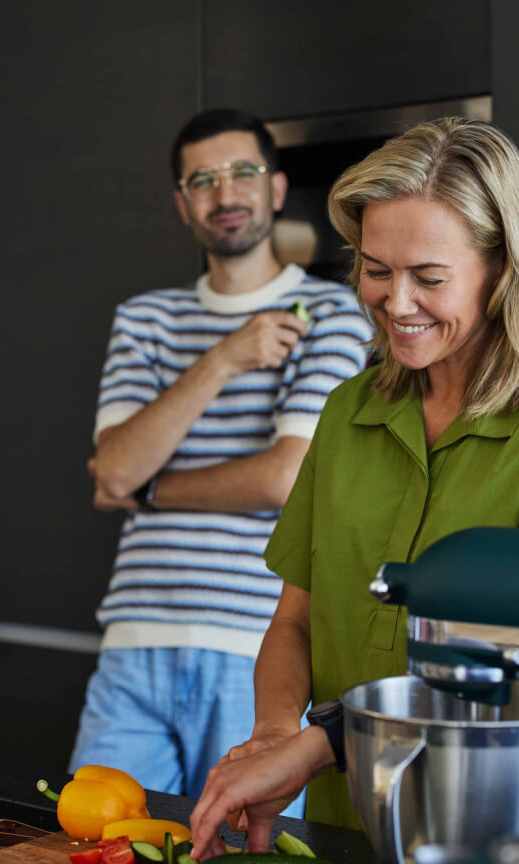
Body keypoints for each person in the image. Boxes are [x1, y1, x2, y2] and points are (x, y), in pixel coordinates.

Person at [188, 118, 519, 855]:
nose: (396, 303)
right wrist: (273, 736)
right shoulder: (348, 411)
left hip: (487, 825)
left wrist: (318, 746)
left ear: (503, 269)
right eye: (376, 270)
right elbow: (296, 620)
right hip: (337, 823)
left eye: (429, 278)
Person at [73, 108, 374, 805]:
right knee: (92, 839)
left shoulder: (333, 312)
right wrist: (225, 358)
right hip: (134, 640)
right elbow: (114, 467)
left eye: (243, 172)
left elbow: (284, 478)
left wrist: (149, 490)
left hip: (255, 649)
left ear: (276, 187)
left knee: (242, 846)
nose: (225, 193)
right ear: (183, 203)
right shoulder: (144, 318)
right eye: (202, 180)